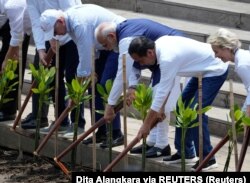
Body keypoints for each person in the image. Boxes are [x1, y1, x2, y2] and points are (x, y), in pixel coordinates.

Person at [128, 36, 228, 171]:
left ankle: (208, 158)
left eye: (141, 60)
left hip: (215, 69)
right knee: (181, 107)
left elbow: (163, 90)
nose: (141, 65)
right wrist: (160, 109)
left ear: (150, 53)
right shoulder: (158, 47)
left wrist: (146, 125)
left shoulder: (167, 58)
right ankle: (186, 153)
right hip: (199, 70)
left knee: (196, 112)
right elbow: (166, 87)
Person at [39, 4, 126, 147]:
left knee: (105, 86)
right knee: (94, 86)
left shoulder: (78, 24)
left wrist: (76, 93)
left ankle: (116, 133)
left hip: (115, 42)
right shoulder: (70, 24)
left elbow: (84, 60)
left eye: (55, 31)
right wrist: (88, 76)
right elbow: (88, 53)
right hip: (101, 47)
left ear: (60, 21)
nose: (56, 35)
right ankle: (101, 131)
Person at [94, 19, 183, 157]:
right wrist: (132, 87)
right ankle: (152, 142)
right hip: (159, 58)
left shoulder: (125, 40)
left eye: (105, 44)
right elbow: (134, 64)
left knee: (160, 100)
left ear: (111, 36)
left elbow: (122, 73)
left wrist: (110, 105)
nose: (106, 49)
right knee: (156, 97)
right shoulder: (123, 34)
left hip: (173, 54)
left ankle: (162, 145)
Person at [22, 0, 85, 139]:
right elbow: (36, 22)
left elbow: (72, 13)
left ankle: (78, 124)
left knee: (72, 77)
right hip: (51, 32)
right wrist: (40, 48)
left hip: (71, 33)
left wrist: (55, 36)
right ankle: (61, 120)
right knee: (52, 78)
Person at [207, 28, 250, 129]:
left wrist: (247, 114)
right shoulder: (243, 56)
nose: (215, 56)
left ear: (226, 48)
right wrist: (244, 112)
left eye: (216, 51)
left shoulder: (242, 64)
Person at [0, 0, 31, 122]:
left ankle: (9, 109)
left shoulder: (13, 6)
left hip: (20, 20)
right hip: (8, 17)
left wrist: (7, 58)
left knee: (12, 62)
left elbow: (17, 38)